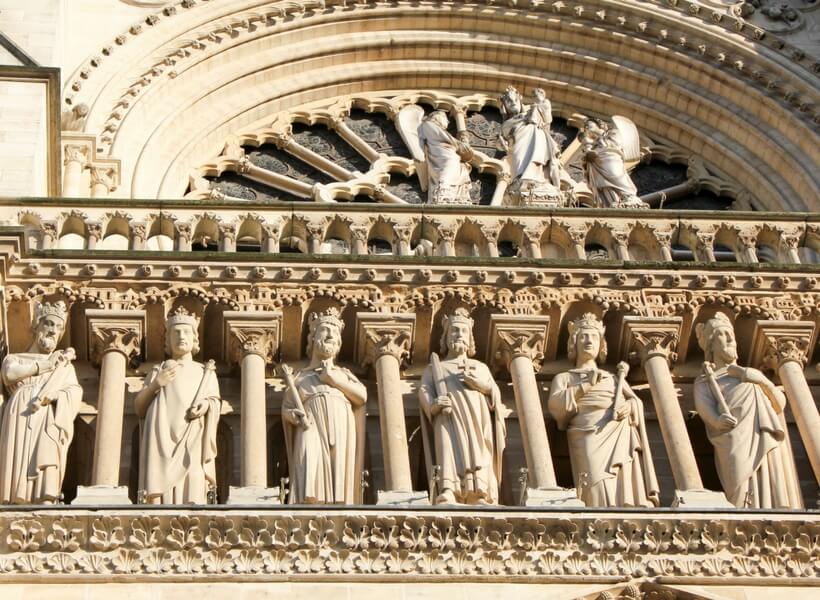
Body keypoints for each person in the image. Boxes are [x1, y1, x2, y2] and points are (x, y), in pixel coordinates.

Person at [548, 313, 659, 507]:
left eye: (594, 336)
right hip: (586, 431)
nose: (588, 341)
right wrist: (584, 386)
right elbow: (557, 408)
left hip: (616, 430)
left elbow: (635, 401)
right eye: (583, 336)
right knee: (594, 475)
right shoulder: (564, 377)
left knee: (619, 472)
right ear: (574, 343)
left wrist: (628, 406)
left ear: (601, 344)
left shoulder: (613, 378)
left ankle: (626, 506)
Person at [694, 312, 803, 508]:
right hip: (733, 438)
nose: (730, 340)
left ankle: (774, 505)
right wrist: (717, 421)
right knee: (738, 474)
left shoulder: (751, 374)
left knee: (770, 470)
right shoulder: (706, 380)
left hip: (765, 434)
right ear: (710, 344)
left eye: (731, 336)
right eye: (722, 334)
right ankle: (744, 507)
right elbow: (704, 408)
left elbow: (779, 403)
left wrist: (756, 378)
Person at [418, 308, 507, 504]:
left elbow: (495, 394)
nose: (459, 335)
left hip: (476, 416)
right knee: (447, 449)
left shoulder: (480, 367)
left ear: (470, 338)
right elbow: (424, 390)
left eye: (463, 331)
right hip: (447, 417)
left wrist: (481, 386)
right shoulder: (435, 367)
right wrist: (434, 404)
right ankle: (450, 489)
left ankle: (479, 491)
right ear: (446, 337)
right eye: (454, 331)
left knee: (478, 449)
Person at [135, 307, 220, 504]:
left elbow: (214, 402)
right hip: (161, 439)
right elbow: (140, 408)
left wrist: (206, 406)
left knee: (192, 482)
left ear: (194, 338)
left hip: (193, 437)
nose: (181, 336)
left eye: (187, 332)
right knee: (159, 491)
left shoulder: (204, 373)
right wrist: (156, 384)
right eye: (176, 332)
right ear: (168, 339)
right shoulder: (158, 371)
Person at [0, 301, 82, 504]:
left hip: (48, 414)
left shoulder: (64, 367)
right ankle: (15, 498)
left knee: (49, 448)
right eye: (48, 324)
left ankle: (44, 496)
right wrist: (45, 365)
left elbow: (74, 391)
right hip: (20, 410)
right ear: (37, 326)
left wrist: (56, 396)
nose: (53, 330)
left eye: (58, 327)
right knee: (18, 457)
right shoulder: (16, 358)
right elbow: (9, 374)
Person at [283, 307, 367, 504]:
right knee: (309, 457)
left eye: (334, 332)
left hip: (340, 423)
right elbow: (288, 406)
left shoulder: (344, 374)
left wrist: (333, 380)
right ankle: (310, 501)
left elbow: (361, 396)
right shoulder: (300, 377)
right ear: (312, 338)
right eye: (324, 330)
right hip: (311, 424)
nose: (330, 335)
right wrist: (294, 416)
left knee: (338, 462)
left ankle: (339, 503)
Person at [581, 118, 646, 208]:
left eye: (589, 125)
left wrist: (598, 142)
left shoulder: (613, 132)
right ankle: (609, 203)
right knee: (602, 186)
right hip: (597, 165)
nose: (587, 128)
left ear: (601, 126)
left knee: (616, 176)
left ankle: (628, 196)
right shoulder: (592, 144)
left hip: (610, 158)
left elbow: (615, 144)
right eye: (585, 127)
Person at [418, 110, 474, 205]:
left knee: (453, 172)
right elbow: (446, 139)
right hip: (443, 156)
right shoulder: (428, 125)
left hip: (450, 154)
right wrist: (462, 143)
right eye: (445, 118)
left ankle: (453, 196)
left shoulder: (436, 128)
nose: (447, 122)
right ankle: (443, 194)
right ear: (437, 117)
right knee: (446, 173)